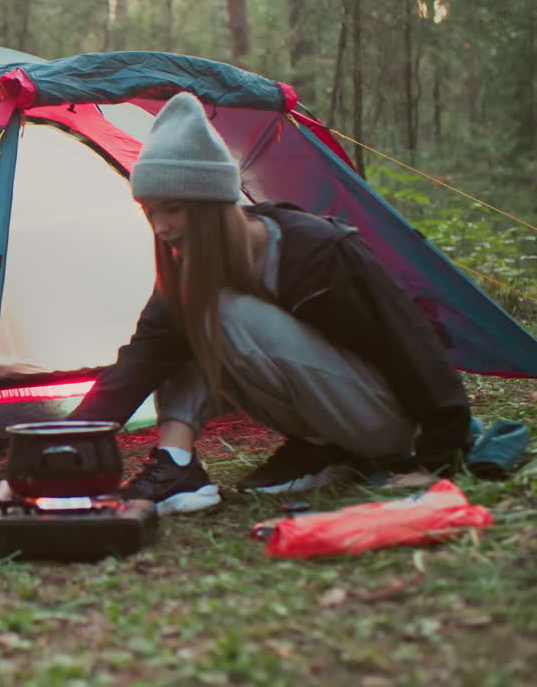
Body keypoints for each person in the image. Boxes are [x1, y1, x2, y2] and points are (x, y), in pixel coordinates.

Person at [67, 91, 471, 515]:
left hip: (390, 422)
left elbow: (410, 343)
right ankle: (178, 464)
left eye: (174, 209)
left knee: (214, 308)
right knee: (179, 325)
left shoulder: (319, 251)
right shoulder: (189, 266)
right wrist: (49, 449)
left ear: (214, 206)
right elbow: (136, 366)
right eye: (150, 212)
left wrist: (438, 455)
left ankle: (346, 448)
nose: (161, 226)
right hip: (328, 415)